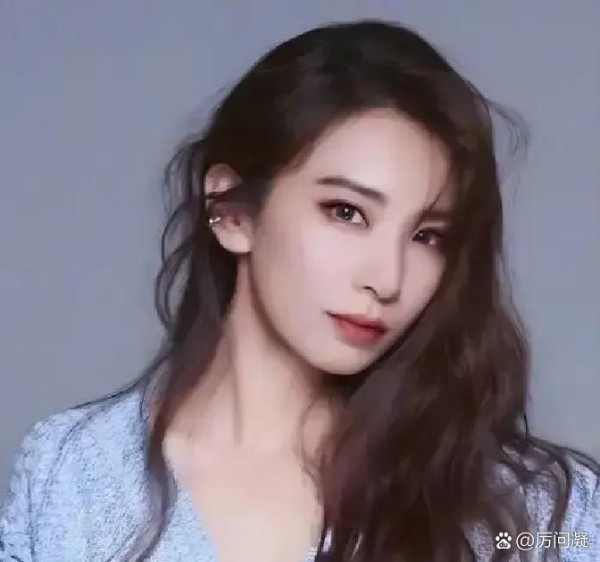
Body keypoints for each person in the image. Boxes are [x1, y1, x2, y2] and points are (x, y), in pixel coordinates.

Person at [0, 18, 598, 562]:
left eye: (427, 236)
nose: (386, 279)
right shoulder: (72, 475)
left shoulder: (531, 514)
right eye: (346, 212)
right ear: (232, 212)